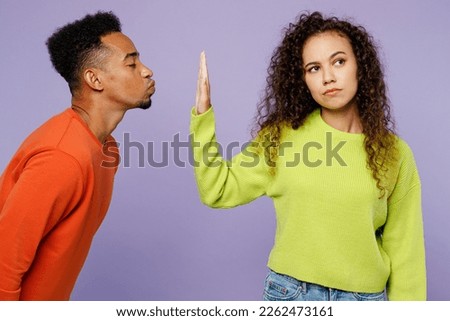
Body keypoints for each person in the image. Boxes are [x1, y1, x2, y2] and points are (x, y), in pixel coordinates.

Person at [191, 11, 426, 301]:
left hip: (363, 302)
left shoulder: (395, 153)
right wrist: (202, 116)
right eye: (314, 68)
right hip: (290, 295)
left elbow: (406, 249)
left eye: (339, 62)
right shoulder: (281, 138)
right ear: (302, 79)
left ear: (360, 67)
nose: (328, 77)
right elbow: (218, 189)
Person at [0, 11, 155, 300]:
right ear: (94, 79)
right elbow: (3, 265)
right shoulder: (62, 157)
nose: (146, 71)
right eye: (132, 63)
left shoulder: (107, 149)